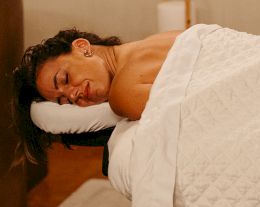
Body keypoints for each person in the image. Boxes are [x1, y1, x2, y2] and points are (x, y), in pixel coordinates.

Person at [13, 27, 181, 164]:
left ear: (82, 47)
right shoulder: (161, 37)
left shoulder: (123, 94)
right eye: (65, 101)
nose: (73, 94)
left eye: (65, 79)